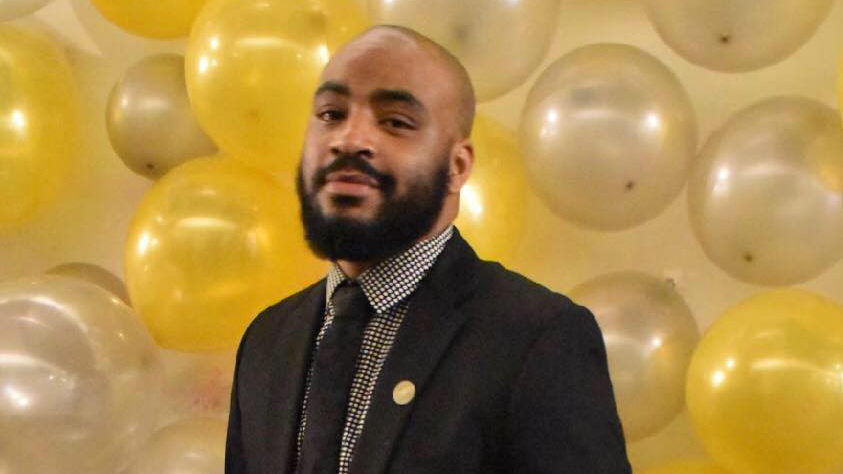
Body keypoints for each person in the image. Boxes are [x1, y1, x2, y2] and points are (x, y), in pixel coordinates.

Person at [225, 24, 632, 474]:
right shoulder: (267, 340)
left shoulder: (538, 340)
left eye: (395, 122)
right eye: (330, 113)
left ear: (457, 167)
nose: (349, 138)